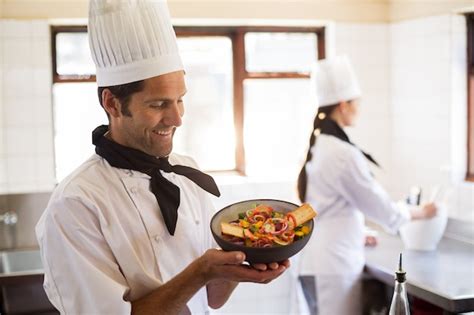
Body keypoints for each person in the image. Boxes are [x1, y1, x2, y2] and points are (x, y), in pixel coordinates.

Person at [35, 1, 289, 314]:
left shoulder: (187, 171)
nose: (177, 118)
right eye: (158, 105)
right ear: (112, 103)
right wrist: (201, 271)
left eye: (180, 100)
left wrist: (248, 258)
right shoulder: (76, 204)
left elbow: (213, 297)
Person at [296, 56, 436, 315]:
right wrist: (421, 211)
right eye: (356, 102)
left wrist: (357, 233)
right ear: (343, 105)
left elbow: (326, 206)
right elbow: (383, 210)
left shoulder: (321, 144)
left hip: (315, 260)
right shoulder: (342, 153)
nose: (359, 107)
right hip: (333, 267)